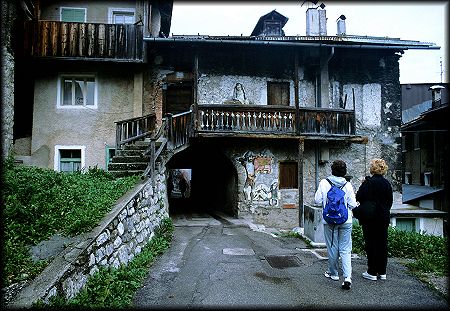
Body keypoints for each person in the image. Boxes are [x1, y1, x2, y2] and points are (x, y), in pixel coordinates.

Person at [315, 160, 357, 290]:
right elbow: (353, 204)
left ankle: (333, 273)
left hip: (329, 221)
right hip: (346, 221)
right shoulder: (348, 185)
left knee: (332, 247)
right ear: (344, 172)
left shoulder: (324, 183)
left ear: (332, 170)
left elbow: (317, 200)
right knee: (345, 249)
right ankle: (347, 278)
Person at [356, 158, 393, 281]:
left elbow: (359, 197)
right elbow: (390, 202)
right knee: (382, 244)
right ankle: (382, 271)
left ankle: (372, 271)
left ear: (373, 168)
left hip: (370, 218)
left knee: (371, 244)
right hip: (383, 217)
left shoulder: (369, 182)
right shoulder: (387, 184)